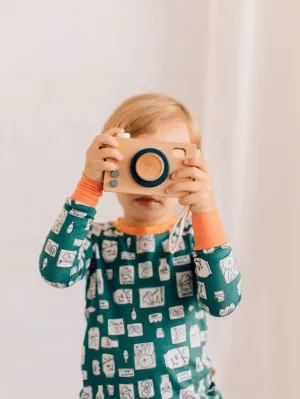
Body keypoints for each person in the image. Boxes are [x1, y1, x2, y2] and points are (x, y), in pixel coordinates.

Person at [39, 93, 242, 399]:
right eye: (136, 158)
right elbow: (56, 272)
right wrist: (89, 184)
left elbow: (223, 301)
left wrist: (205, 209)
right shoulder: (97, 240)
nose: (150, 173)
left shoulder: (193, 239)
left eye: (166, 161)